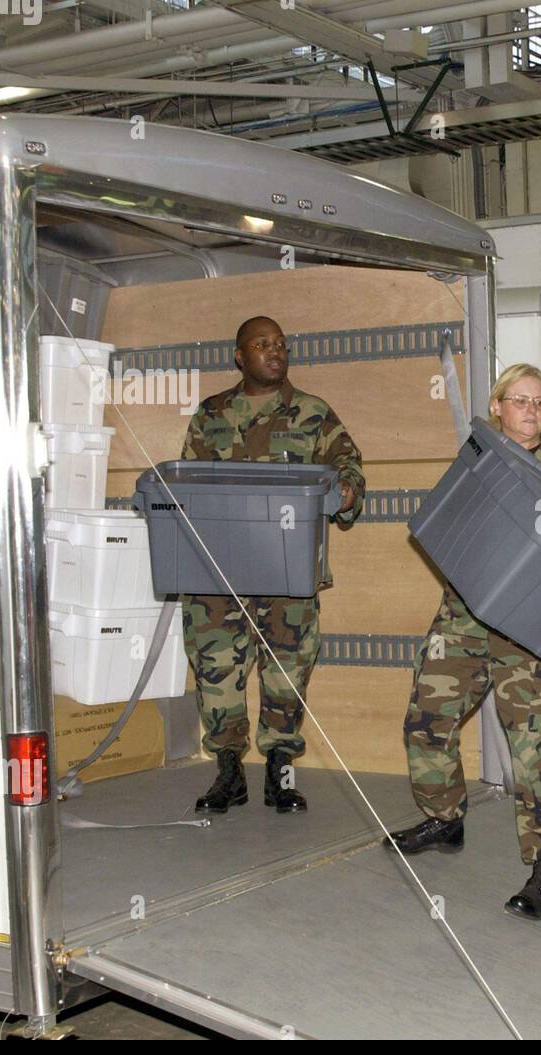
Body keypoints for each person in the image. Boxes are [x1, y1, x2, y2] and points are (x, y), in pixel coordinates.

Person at [387, 363, 541, 921]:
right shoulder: (478, 457)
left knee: (536, 752)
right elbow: (448, 523)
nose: (531, 411)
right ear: (498, 406)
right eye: (520, 401)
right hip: (465, 616)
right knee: (425, 719)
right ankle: (445, 817)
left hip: (531, 627)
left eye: (540, 403)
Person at [181, 315, 365, 815]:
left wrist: (346, 491)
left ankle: (280, 776)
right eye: (263, 344)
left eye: (281, 344)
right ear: (239, 356)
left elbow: (348, 466)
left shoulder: (313, 413)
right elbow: (187, 484)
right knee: (217, 671)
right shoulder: (210, 414)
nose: (275, 351)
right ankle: (228, 772)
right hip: (218, 575)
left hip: (288, 573)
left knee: (287, 674)